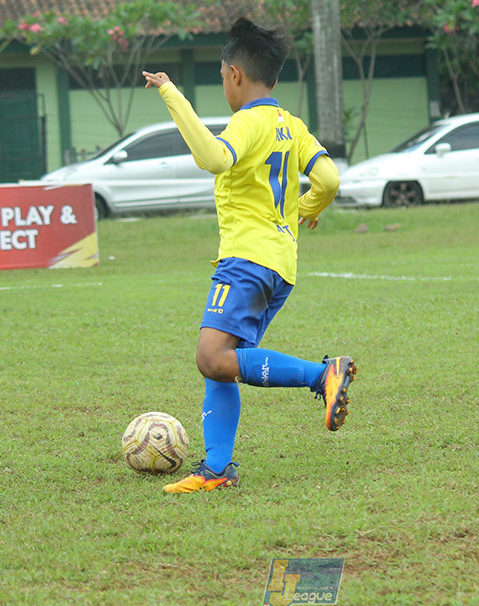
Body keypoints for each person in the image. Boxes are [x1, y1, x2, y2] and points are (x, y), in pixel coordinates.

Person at [143, 17, 356, 494]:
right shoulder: (291, 124)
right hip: (280, 263)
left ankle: (322, 375)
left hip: (246, 260)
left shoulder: (249, 121)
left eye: (222, 78)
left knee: (211, 356)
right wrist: (305, 210)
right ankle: (217, 469)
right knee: (226, 358)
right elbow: (329, 181)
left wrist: (171, 94)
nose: (224, 87)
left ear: (235, 74)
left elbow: (214, 159)